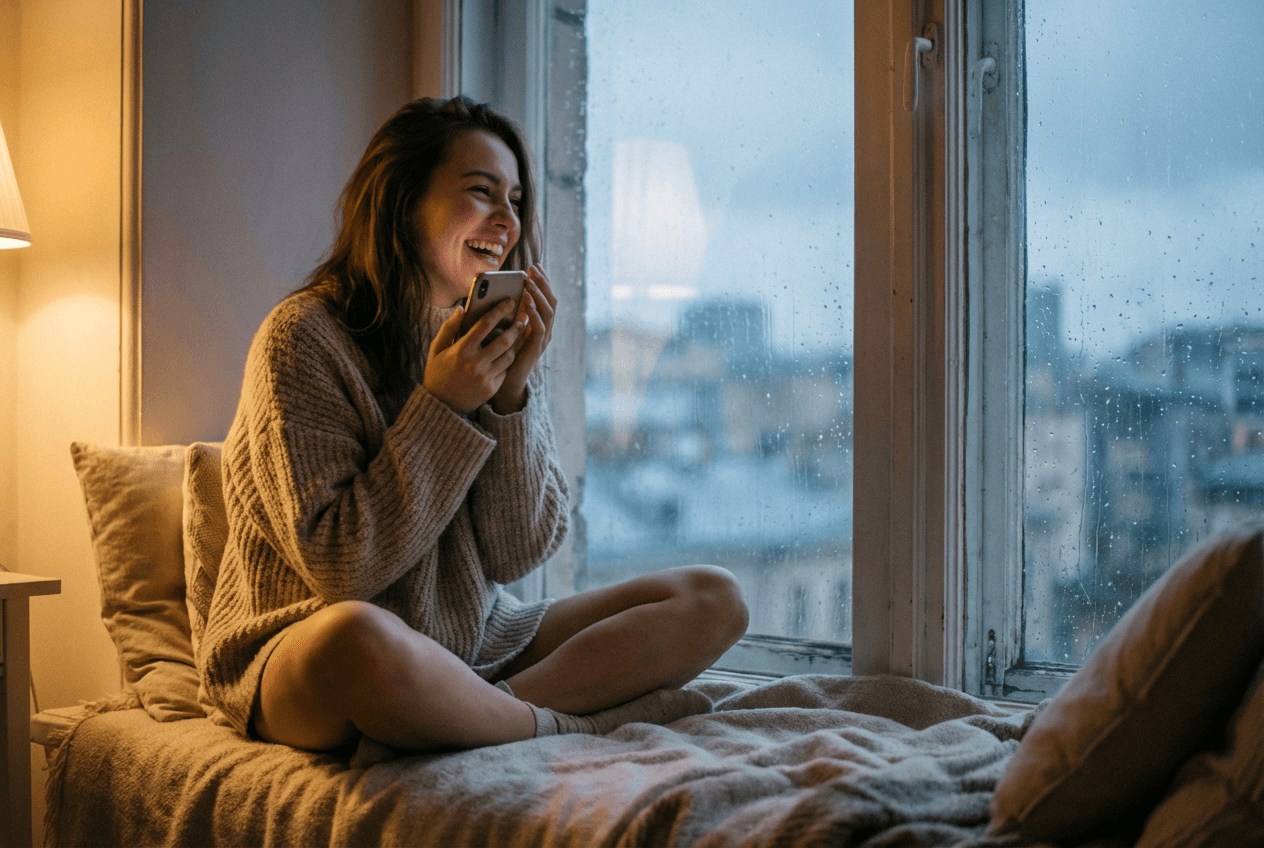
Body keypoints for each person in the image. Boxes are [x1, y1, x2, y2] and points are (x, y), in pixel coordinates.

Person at [197, 96, 749, 756]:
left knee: (714, 598)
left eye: (515, 200)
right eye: (481, 192)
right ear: (403, 202)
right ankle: (565, 725)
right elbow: (343, 572)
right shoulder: (302, 340)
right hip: (298, 647)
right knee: (356, 637)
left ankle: (481, 715)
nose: (508, 222)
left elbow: (521, 553)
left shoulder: (486, 341)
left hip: (471, 635)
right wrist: (442, 406)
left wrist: (509, 397)